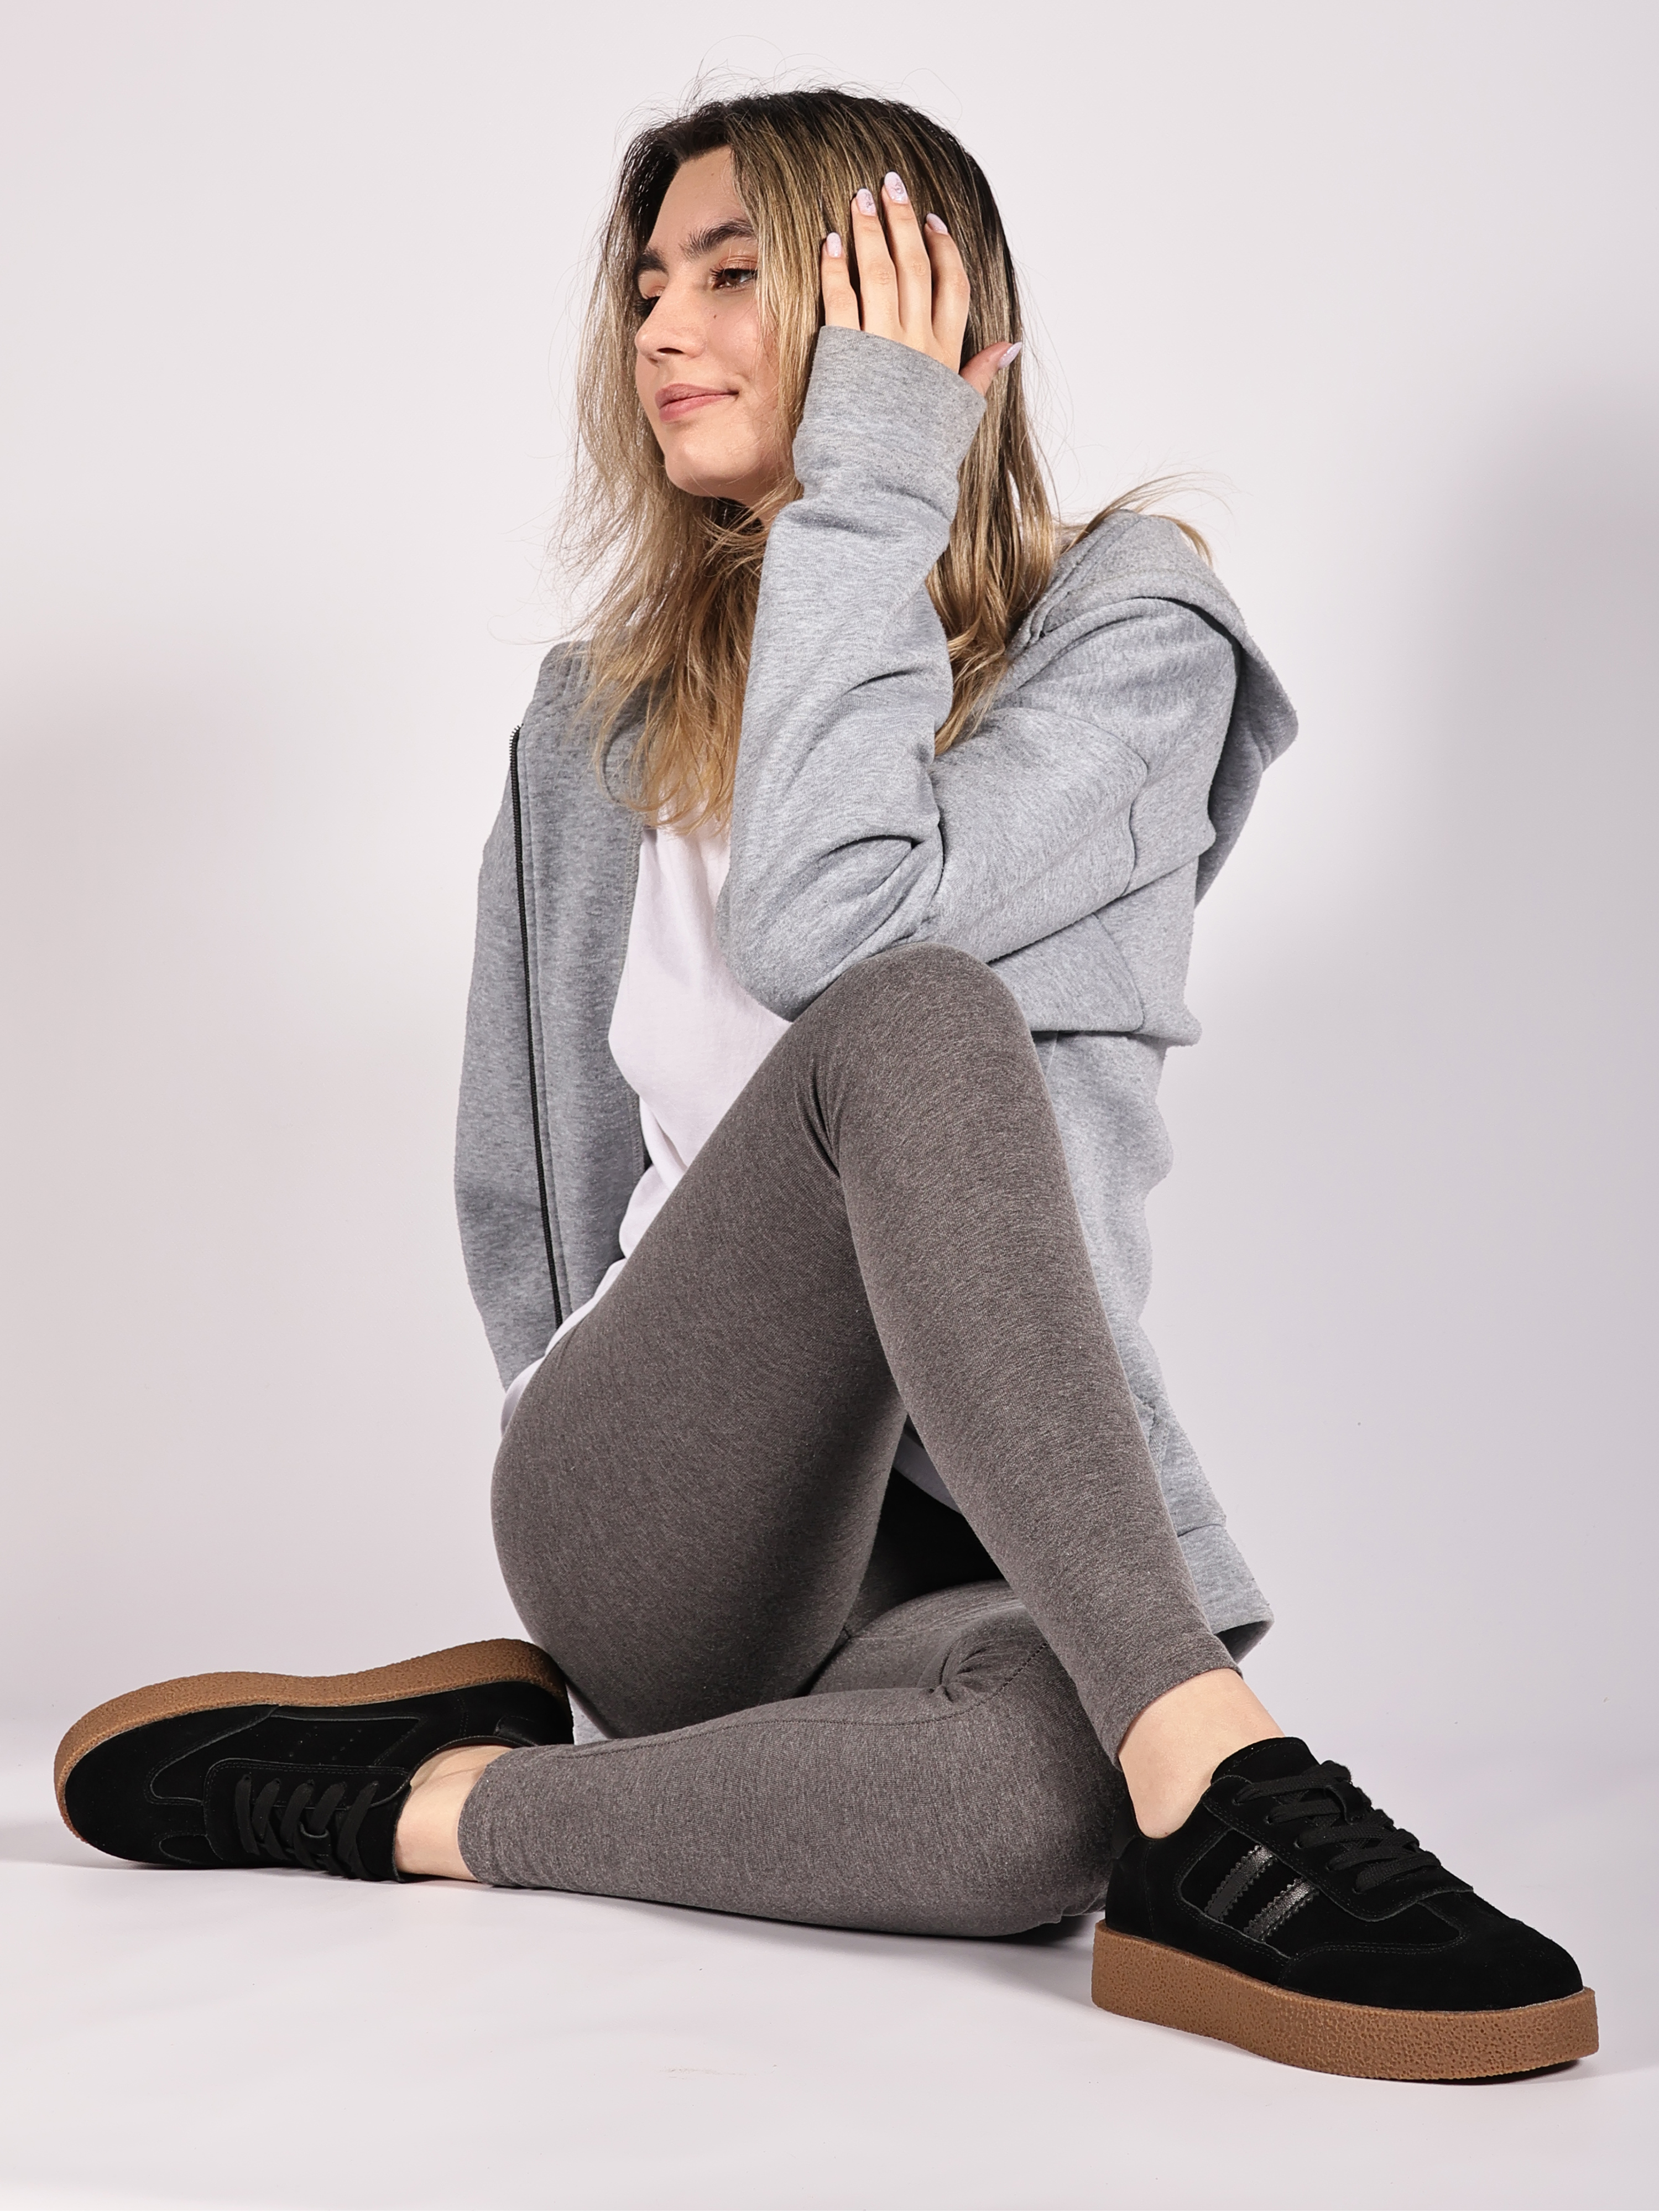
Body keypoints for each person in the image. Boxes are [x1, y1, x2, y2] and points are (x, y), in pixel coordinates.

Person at [53, 88, 1594, 2083]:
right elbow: (580, 1130)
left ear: (913, 325)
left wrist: (874, 484)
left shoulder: (1131, 641)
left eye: (730, 274)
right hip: (654, 1508)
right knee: (918, 1025)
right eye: (645, 286)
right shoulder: (592, 722)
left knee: (1049, 1805)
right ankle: (1226, 1772)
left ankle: (421, 1803)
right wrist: (588, 1426)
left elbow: (832, 910)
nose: (659, 330)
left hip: (955, 1554)